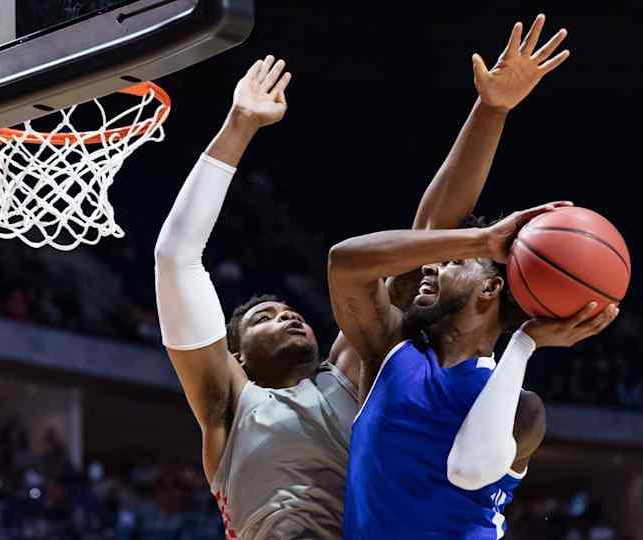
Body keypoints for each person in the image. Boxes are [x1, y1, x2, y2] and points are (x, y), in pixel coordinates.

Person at [154, 14, 569, 539]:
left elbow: (428, 240)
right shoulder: (228, 408)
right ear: (236, 356)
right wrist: (239, 125)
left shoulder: (361, 370)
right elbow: (175, 259)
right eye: (264, 317)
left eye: (290, 312)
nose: (287, 317)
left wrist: (491, 111)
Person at [328, 22, 618, 539]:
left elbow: (468, 469)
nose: (435, 264)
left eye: (455, 264)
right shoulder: (391, 351)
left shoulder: (523, 409)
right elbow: (345, 261)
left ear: (490, 290)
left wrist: (526, 343)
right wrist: (492, 111)